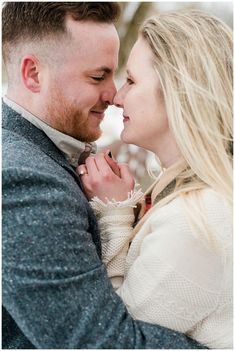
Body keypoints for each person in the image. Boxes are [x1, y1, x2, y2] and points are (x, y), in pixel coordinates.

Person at [2, 2, 205, 349]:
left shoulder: (51, 155)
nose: (114, 94)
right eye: (98, 77)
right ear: (33, 74)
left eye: (118, 75)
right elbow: (102, 342)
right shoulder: (24, 183)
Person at [78, 9, 233, 349]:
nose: (117, 98)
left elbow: (116, 339)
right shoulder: (196, 198)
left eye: (131, 81)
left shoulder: (198, 220)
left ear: (178, 89)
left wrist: (115, 214)